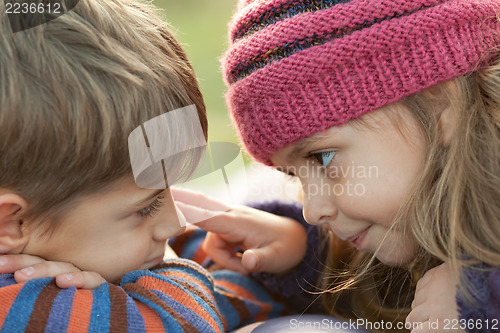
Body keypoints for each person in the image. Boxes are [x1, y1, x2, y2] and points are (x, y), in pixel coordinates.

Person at [174, 0, 500, 332]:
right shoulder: (415, 219)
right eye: (292, 174)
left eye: (322, 157)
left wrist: (482, 304)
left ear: (440, 102)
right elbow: (390, 293)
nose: (312, 211)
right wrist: (303, 255)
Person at [0, 0, 314, 331]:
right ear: (13, 225)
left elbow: (219, 292)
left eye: (169, 191)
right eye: (147, 208)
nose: (174, 225)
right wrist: (180, 270)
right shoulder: (19, 303)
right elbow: (185, 323)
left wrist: (289, 254)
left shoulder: (90, 240)